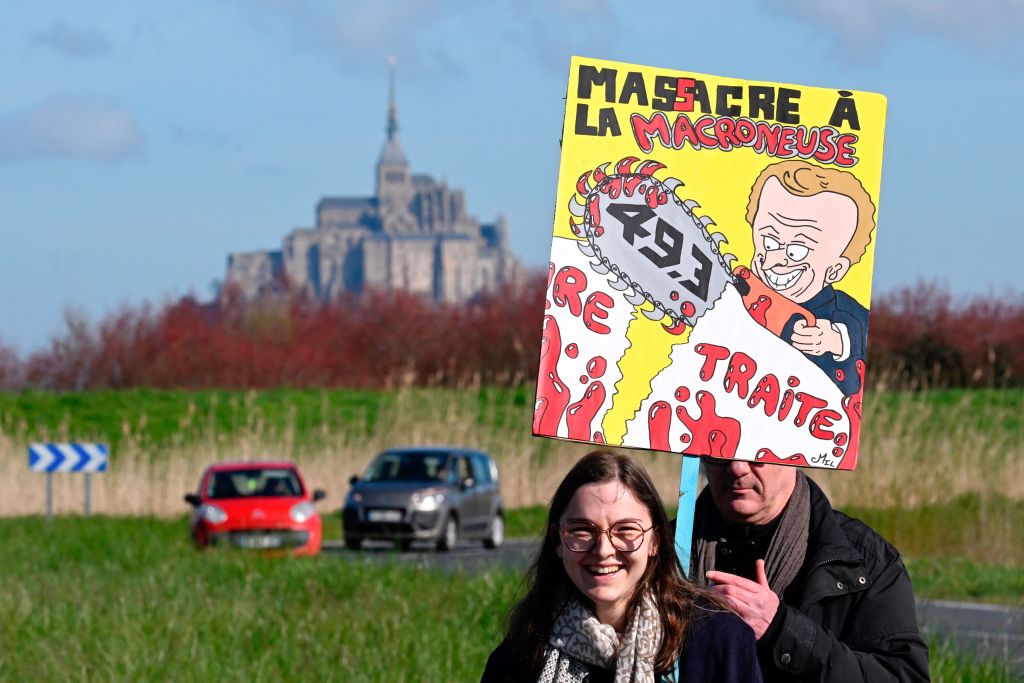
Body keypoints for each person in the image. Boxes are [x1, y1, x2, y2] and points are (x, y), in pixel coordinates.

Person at [482, 450, 763, 682]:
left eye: (626, 530)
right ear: (557, 541)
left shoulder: (720, 644)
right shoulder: (521, 656)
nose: (604, 550)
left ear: (655, 541)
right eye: (582, 530)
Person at [693, 456, 930, 682]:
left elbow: (902, 676)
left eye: (757, 452)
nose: (737, 468)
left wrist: (782, 632)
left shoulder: (864, 561)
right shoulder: (665, 552)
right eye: (720, 450)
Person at [745, 160, 875, 395]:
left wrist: (837, 341)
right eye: (769, 242)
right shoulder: (739, 290)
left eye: (796, 251)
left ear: (835, 270)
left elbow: (863, 331)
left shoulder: (842, 312)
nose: (775, 260)